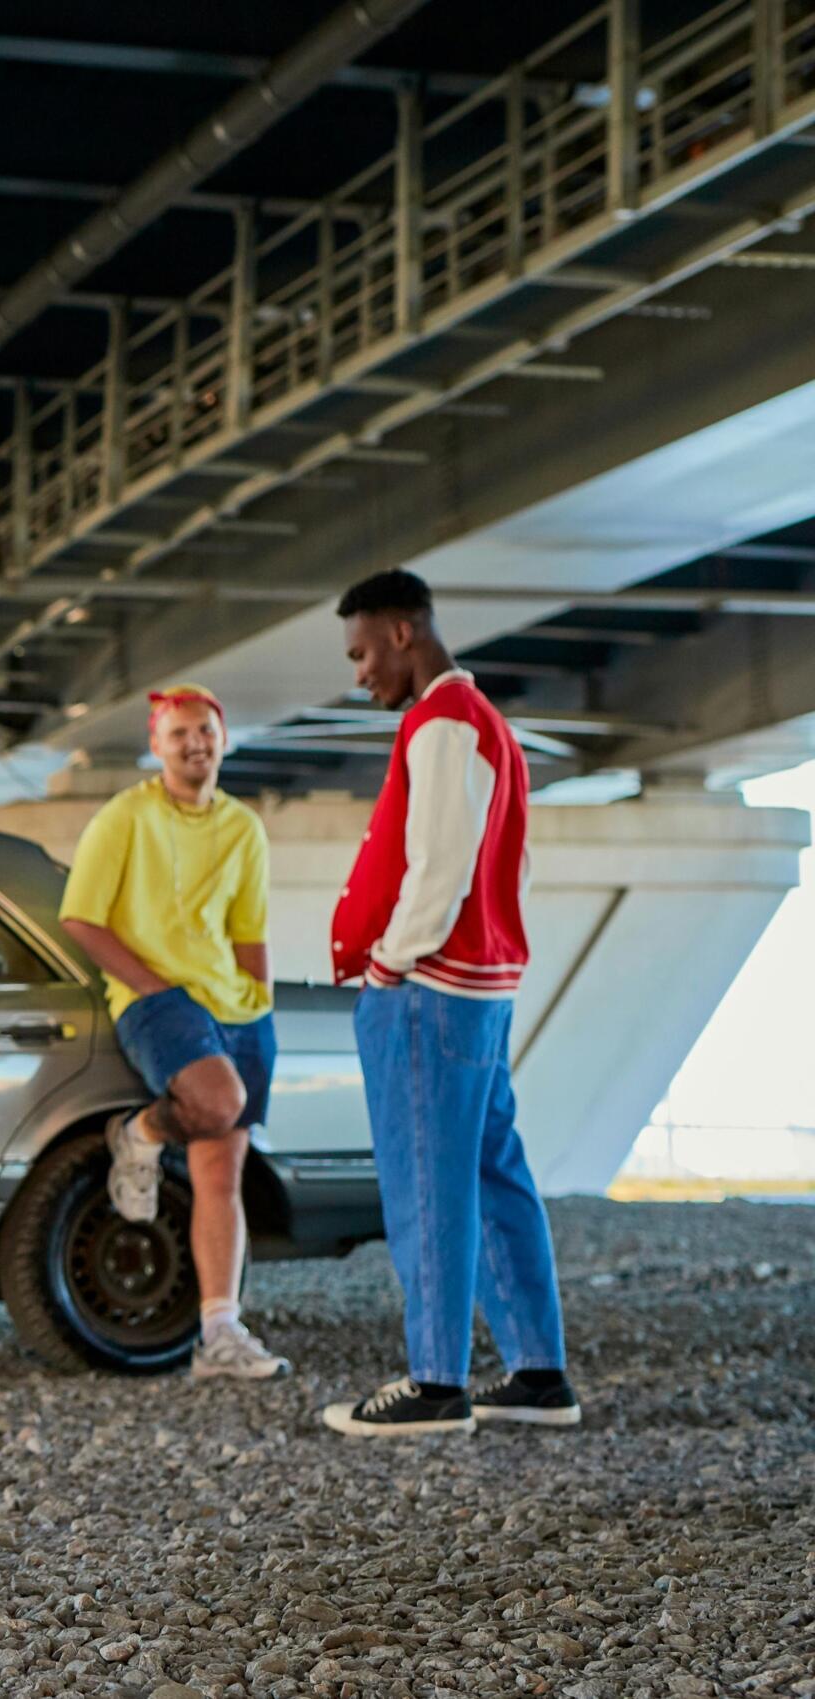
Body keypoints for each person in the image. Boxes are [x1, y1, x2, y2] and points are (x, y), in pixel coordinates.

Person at [321, 570, 579, 1437]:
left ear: (401, 631)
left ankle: (436, 1381)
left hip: (431, 989)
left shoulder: (440, 723)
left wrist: (390, 965)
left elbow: (437, 865)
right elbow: (511, 865)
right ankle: (539, 1370)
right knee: (492, 1172)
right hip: (481, 987)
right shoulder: (491, 727)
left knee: (426, 1182)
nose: (359, 674)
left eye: (361, 652)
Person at [58, 684, 290, 1381]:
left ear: (224, 739)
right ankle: (141, 1135)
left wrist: (260, 1001)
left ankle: (219, 1331)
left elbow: (249, 931)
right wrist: (154, 986)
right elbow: (82, 917)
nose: (196, 742)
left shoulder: (244, 827)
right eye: (180, 732)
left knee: (223, 1172)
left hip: (237, 1007)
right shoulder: (124, 816)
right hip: (156, 998)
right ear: (157, 744)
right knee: (214, 1104)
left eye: (207, 730)